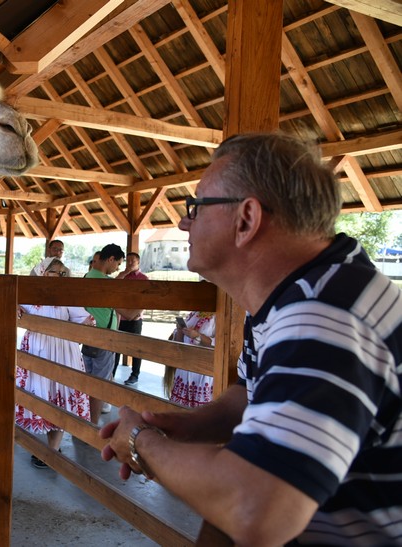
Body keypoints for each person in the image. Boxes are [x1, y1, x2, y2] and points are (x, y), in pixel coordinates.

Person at [100, 132, 402, 545]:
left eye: (196, 207)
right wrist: (181, 428)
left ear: (246, 219)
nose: (184, 222)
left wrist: (142, 442)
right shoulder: (291, 294)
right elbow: (249, 396)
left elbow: (255, 509)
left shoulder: (323, 314)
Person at [16, 258, 91, 468]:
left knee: (61, 395)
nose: (59, 276)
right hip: (38, 350)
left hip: (63, 351)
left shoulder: (67, 295)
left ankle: (52, 450)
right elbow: (14, 304)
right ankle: (47, 445)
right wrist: (14, 306)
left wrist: (89, 324)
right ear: (43, 273)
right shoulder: (31, 295)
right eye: (55, 272)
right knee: (42, 394)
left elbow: (82, 317)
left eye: (62, 272)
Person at [82, 243, 140, 419]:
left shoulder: (87, 277)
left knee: (88, 380)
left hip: (87, 336)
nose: (118, 268)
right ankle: (92, 424)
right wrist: (145, 302)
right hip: (104, 339)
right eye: (118, 263)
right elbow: (128, 314)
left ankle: (84, 419)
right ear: (111, 259)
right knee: (100, 384)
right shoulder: (106, 284)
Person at [163, 311, 216, 407]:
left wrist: (197, 336)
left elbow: (217, 343)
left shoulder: (217, 317)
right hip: (185, 371)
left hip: (203, 373)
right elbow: (179, 344)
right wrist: (180, 331)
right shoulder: (193, 314)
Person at [113, 252, 148, 385]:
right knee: (117, 347)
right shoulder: (122, 276)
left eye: (132, 260)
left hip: (135, 319)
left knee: (135, 347)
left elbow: (146, 298)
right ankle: (112, 373)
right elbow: (113, 287)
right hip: (121, 317)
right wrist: (124, 273)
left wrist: (139, 312)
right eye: (127, 260)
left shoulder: (144, 278)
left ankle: (135, 375)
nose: (129, 263)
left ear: (138, 262)